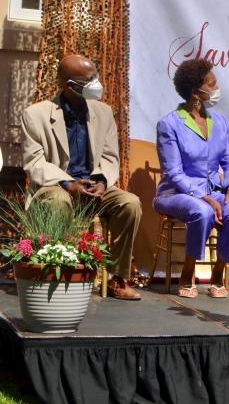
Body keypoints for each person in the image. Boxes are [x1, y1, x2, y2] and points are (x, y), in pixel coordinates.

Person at [21, 54, 142, 300]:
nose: (96, 84)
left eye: (95, 77)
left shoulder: (103, 112)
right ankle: (60, 274)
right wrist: (68, 183)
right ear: (69, 86)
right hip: (56, 185)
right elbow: (34, 162)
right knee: (58, 201)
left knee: (130, 203)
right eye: (89, 81)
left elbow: (110, 156)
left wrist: (100, 181)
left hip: (92, 186)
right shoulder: (35, 115)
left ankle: (118, 278)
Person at [153, 59, 229, 298]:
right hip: (176, 193)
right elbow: (173, 173)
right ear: (196, 92)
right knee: (202, 211)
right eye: (212, 85)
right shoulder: (169, 124)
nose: (216, 89)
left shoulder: (220, 122)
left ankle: (218, 273)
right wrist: (203, 197)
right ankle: (188, 272)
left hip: (212, 190)